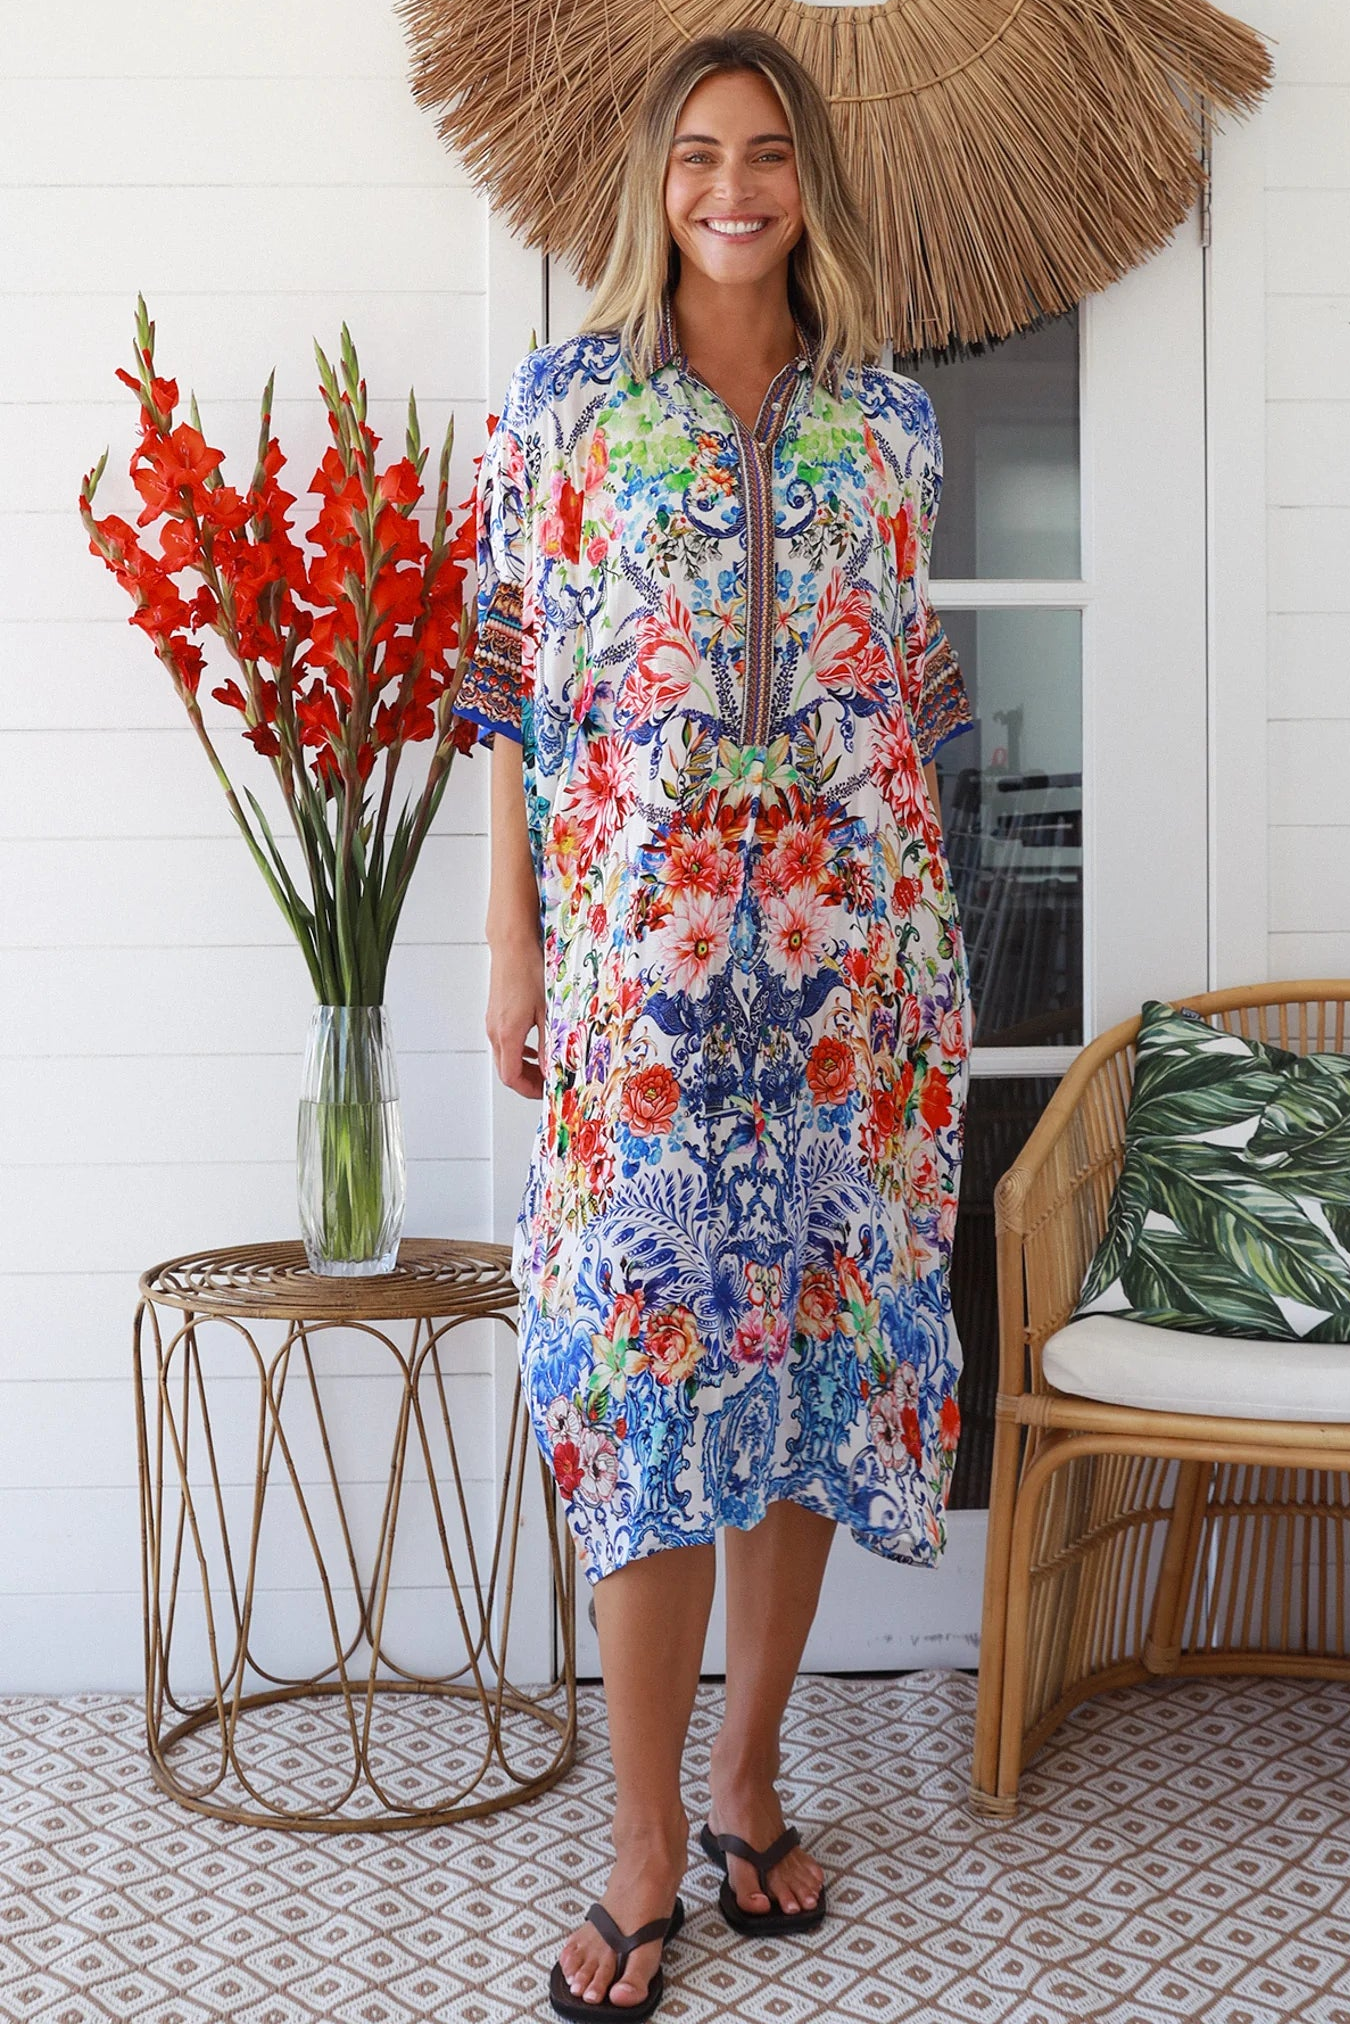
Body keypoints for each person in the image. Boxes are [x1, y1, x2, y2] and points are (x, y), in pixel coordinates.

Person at [452, 26, 972, 2021]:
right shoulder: (566, 410)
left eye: (764, 154)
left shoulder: (891, 424)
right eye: (697, 155)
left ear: (808, 178)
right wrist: (513, 948)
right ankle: (644, 1836)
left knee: (811, 1374)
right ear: (652, 184)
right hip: (647, 989)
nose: (732, 189)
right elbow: (509, 693)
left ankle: (751, 1778)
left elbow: (908, 687)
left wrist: (932, 952)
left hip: (852, 986)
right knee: (651, 1386)